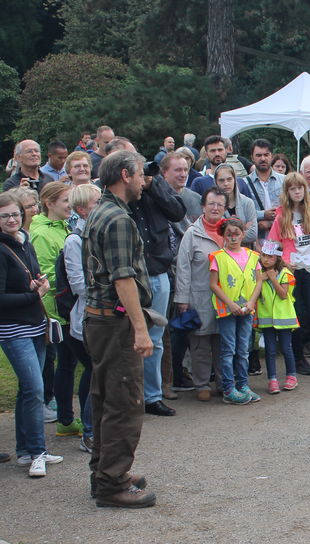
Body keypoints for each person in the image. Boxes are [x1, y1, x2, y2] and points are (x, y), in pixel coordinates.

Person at [82, 150, 155, 507]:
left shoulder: (101, 210)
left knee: (105, 399)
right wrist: (140, 329)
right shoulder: (118, 219)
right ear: (125, 175)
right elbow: (123, 277)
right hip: (115, 321)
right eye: (140, 174)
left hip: (98, 318)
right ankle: (112, 484)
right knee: (125, 402)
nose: (144, 181)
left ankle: (105, 472)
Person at [0, 191, 63, 475]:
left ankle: (26, 450)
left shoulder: (25, 242)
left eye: (15, 214)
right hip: (14, 329)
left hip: (36, 324)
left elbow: (32, 278)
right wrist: (32, 293)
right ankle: (38, 451)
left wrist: (39, 283)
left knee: (28, 389)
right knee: (35, 388)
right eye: (5, 216)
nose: (12, 219)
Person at [129, 162, 186, 416]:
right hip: (131, 275)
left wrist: (154, 186)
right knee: (128, 338)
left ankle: (152, 396)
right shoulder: (118, 195)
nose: (142, 177)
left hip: (159, 271)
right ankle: (132, 396)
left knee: (156, 339)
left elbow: (177, 211)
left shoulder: (155, 187)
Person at [267, 172, 310, 375]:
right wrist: (283, 263)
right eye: (292, 188)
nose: (297, 192)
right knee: (297, 316)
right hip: (291, 274)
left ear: (305, 190)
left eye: (300, 188)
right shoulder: (281, 217)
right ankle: (299, 359)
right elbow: (271, 247)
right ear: (287, 192)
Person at [30, 182, 79, 436]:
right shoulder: (41, 232)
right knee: (69, 362)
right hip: (58, 308)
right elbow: (44, 273)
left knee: (67, 363)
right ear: (50, 203)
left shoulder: (64, 225)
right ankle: (66, 418)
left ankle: (66, 419)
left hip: (66, 304)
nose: (70, 205)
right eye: (65, 201)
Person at [174, 188, 227, 401]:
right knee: (200, 344)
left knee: (223, 343)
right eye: (211, 204)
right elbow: (183, 267)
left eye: (220, 205)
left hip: (226, 298)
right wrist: (182, 298)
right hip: (200, 296)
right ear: (203, 206)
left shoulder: (231, 232)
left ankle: (225, 382)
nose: (215, 208)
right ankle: (202, 384)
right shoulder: (192, 233)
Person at [63, 184, 101, 453]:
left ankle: (95, 428)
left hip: (104, 314)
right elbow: (79, 285)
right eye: (96, 202)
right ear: (81, 209)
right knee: (95, 371)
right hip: (87, 318)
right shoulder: (75, 241)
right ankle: (88, 432)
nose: (102, 206)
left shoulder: (100, 234)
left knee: (97, 371)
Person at [209, 218, 263, 405]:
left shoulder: (253, 255)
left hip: (247, 309)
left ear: (243, 234)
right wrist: (231, 304)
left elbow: (259, 282)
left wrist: (251, 302)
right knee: (228, 349)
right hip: (227, 309)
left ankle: (243, 384)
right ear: (223, 235)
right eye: (229, 234)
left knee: (243, 349)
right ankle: (228, 388)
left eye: (237, 234)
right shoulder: (218, 257)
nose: (233, 238)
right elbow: (213, 284)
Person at [256, 243, 298, 393]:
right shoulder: (258, 272)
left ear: (277, 258)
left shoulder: (285, 273)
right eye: (264, 255)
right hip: (266, 317)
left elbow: (283, 294)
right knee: (270, 350)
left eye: (270, 256)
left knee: (286, 348)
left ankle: (291, 376)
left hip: (284, 317)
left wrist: (273, 279)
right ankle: (272, 379)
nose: (266, 259)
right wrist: (260, 279)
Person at [246, 139, 284, 239]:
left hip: (282, 239)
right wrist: (263, 215)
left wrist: (271, 222)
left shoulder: (284, 181)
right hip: (257, 241)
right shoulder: (244, 184)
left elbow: (293, 208)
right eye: (258, 155)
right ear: (252, 158)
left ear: (271, 156)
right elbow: (243, 212)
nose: (263, 158)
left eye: (266, 155)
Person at [213, 163, 258, 243]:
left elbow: (253, 235)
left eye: (229, 179)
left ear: (234, 180)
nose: (226, 183)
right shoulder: (214, 206)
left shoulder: (248, 202)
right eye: (221, 180)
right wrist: (243, 228)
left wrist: (228, 233)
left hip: (245, 253)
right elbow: (217, 236)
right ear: (216, 182)